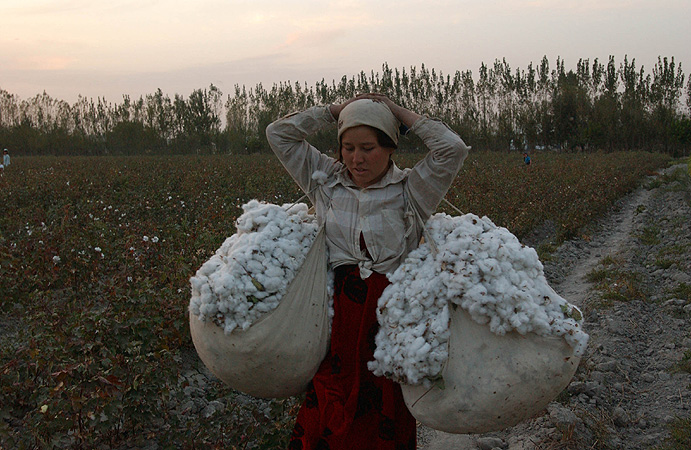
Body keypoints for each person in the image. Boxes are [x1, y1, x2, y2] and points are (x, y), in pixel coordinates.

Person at [266, 93, 469, 450]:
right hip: (339, 317)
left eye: (368, 148)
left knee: (384, 409)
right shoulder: (325, 181)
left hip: (389, 319)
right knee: (333, 399)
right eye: (347, 148)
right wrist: (334, 111)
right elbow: (279, 134)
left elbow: (451, 148)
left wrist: (397, 112)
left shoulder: (412, 190)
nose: (356, 159)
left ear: (390, 147)